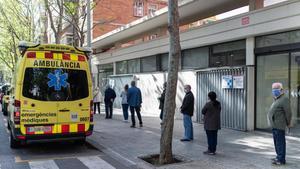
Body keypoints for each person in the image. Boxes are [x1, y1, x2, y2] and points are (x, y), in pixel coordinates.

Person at [268, 82, 292, 165]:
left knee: (280, 143)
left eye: (276, 89)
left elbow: (288, 113)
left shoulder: (284, 99)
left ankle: (281, 160)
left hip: (279, 125)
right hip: (274, 126)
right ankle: (278, 157)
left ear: (281, 90)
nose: (274, 91)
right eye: (273, 89)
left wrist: (288, 123)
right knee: (276, 142)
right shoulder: (277, 99)